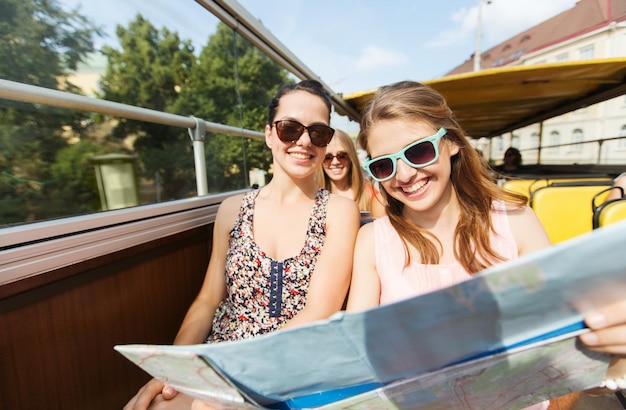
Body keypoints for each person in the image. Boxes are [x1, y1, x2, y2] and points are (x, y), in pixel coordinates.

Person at [345, 80, 626, 408]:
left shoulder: (515, 222)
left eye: (418, 151)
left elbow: (566, 354)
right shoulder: (373, 241)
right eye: (384, 165)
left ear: (451, 143)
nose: (404, 174)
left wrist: (611, 357)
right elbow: (356, 359)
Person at [124, 79, 361, 410]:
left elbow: (320, 310)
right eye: (290, 128)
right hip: (223, 353)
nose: (304, 140)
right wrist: (173, 371)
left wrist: (237, 374)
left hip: (291, 362)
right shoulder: (232, 210)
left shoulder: (339, 211)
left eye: (318, 132)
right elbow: (208, 300)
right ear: (268, 134)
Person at [317, 128, 385, 221]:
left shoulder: (373, 195)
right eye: (328, 157)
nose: (335, 162)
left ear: (351, 157)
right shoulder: (311, 197)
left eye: (342, 155)